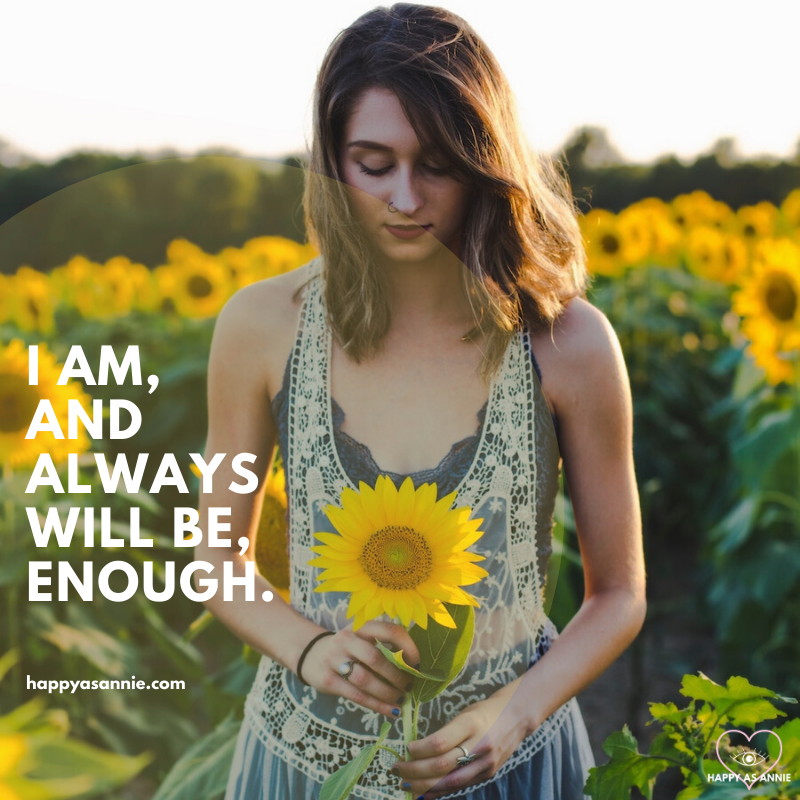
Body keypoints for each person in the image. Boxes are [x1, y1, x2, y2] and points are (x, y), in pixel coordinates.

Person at [198, 4, 646, 798]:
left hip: (513, 762)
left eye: (437, 163)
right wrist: (310, 650)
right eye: (374, 164)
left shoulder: (568, 344)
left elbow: (618, 595)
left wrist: (518, 712)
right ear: (332, 164)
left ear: (487, 160)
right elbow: (217, 562)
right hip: (303, 765)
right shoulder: (261, 327)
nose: (406, 196)